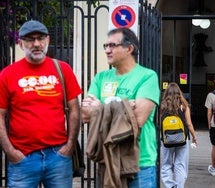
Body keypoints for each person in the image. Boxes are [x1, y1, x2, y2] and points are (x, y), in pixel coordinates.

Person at [0, 20, 82, 188]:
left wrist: (70, 146)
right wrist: (10, 151)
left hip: (58, 156)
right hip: (22, 158)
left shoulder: (63, 69)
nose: (36, 44)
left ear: (48, 40)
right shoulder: (7, 74)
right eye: (30, 39)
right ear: (20, 43)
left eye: (41, 38)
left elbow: (75, 109)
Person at [81, 27, 160, 187]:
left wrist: (100, 107)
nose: (107, 50)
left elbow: (138, 119)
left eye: (112, 45)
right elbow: (85, 114)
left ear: (129, 48)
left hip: (140, 162)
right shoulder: (101, 77)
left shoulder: (147, 76)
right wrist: (124, 105)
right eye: (106, 46)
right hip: (108, 159)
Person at [160, 82, 197, 188]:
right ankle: (179, 186)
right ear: (179, 93)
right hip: (182, 139)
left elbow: (160, 124)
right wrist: (194, 137)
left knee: (166, 164)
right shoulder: (184, 106)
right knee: (180, 164)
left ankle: (170, 185)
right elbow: (189, 124)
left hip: (166, 140)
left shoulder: (163, 106)